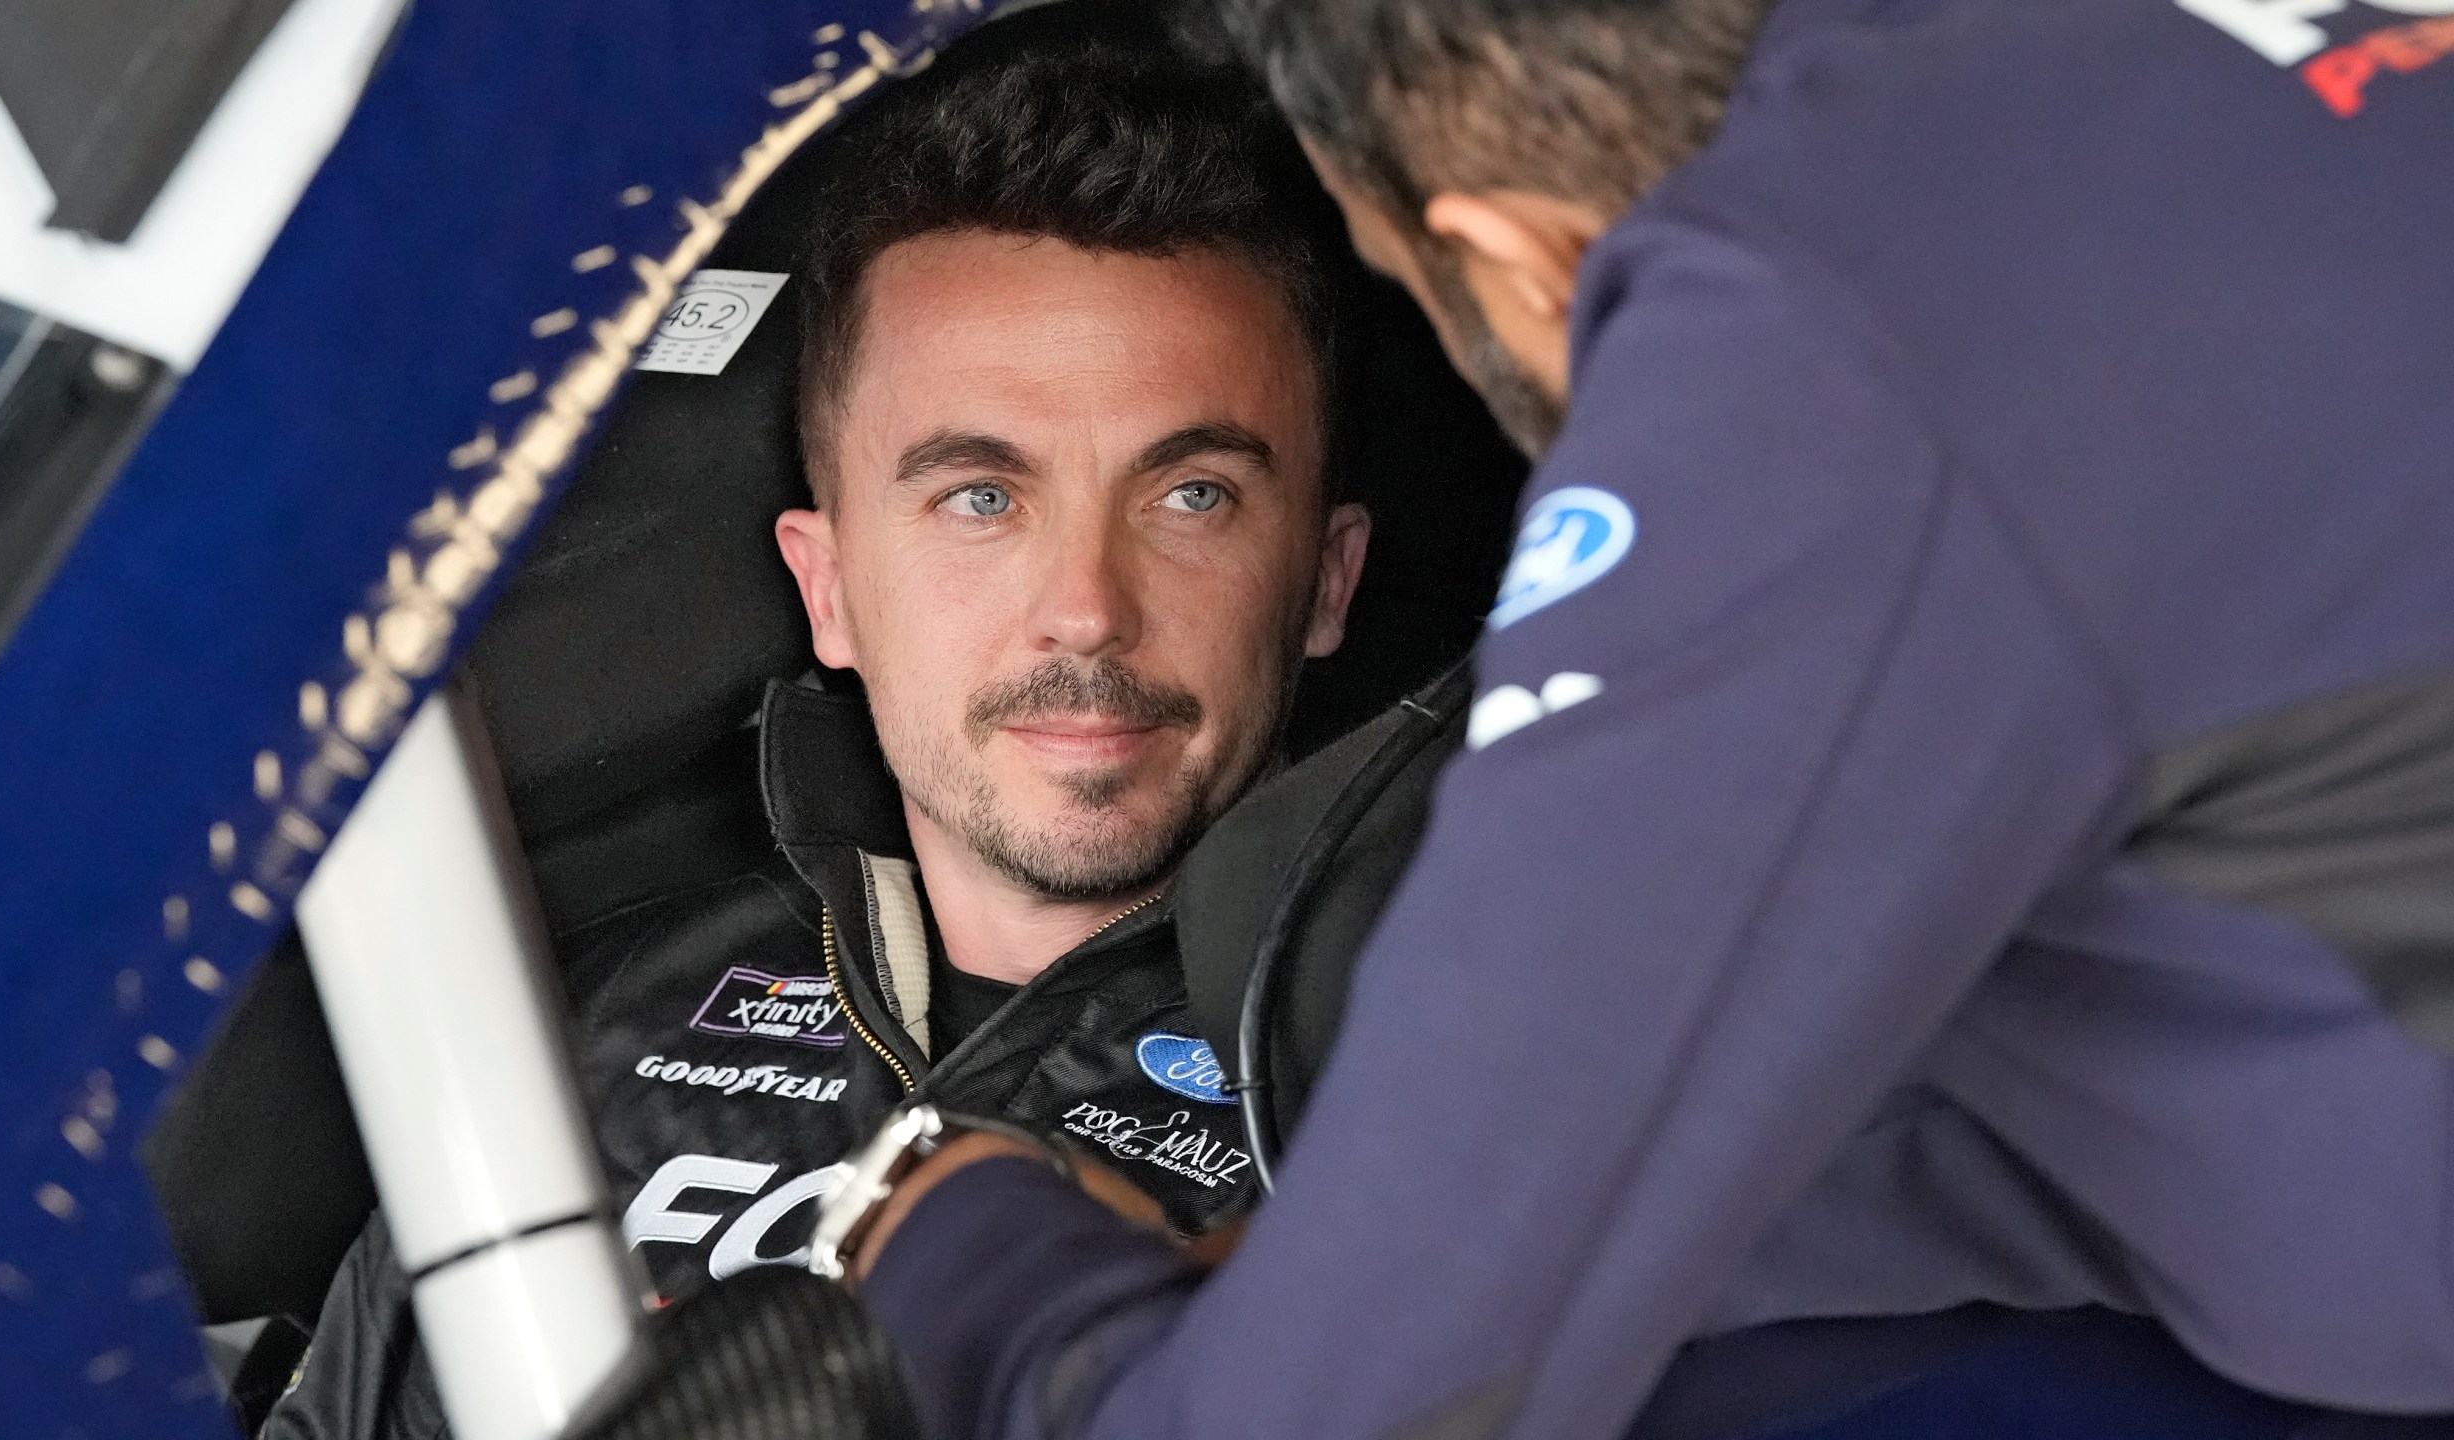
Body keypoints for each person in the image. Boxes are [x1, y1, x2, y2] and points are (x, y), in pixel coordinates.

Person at [847, 1, 2454, 1437]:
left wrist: (952, 1244)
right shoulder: (2130, 73)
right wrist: (1368, 1261)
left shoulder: (1817, 357)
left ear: (1519, 260)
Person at [261, 27, 1368, 1438]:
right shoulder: (572, 1029)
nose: (1085, 611)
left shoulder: (1457, 1072)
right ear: (826, 585)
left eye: (1191, 495)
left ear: (1326, 580)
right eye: (981, 496)